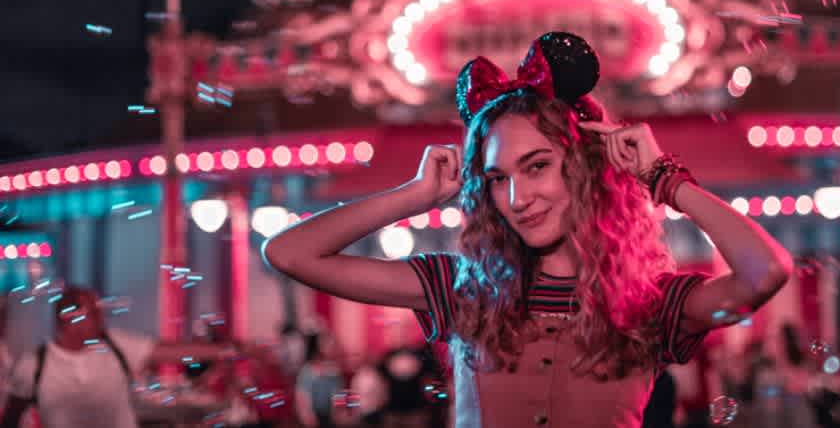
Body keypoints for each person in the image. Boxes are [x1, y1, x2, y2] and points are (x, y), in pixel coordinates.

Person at [263, 32, 792, 427]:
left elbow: (766, 272)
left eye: (537, 166)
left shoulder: (647, 301)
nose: (517, 199)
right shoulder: (462, 289)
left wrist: (663, 178)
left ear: (581, 166)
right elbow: (289, 253)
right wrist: (414, 195)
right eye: (497, 178)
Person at [0, 286, 243, 428]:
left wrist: (231, 350)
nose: (100, 319)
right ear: (69, 319)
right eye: (93, 313)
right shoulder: (34, 365)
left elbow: (172, 352)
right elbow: (11, 417)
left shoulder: (116, 345)